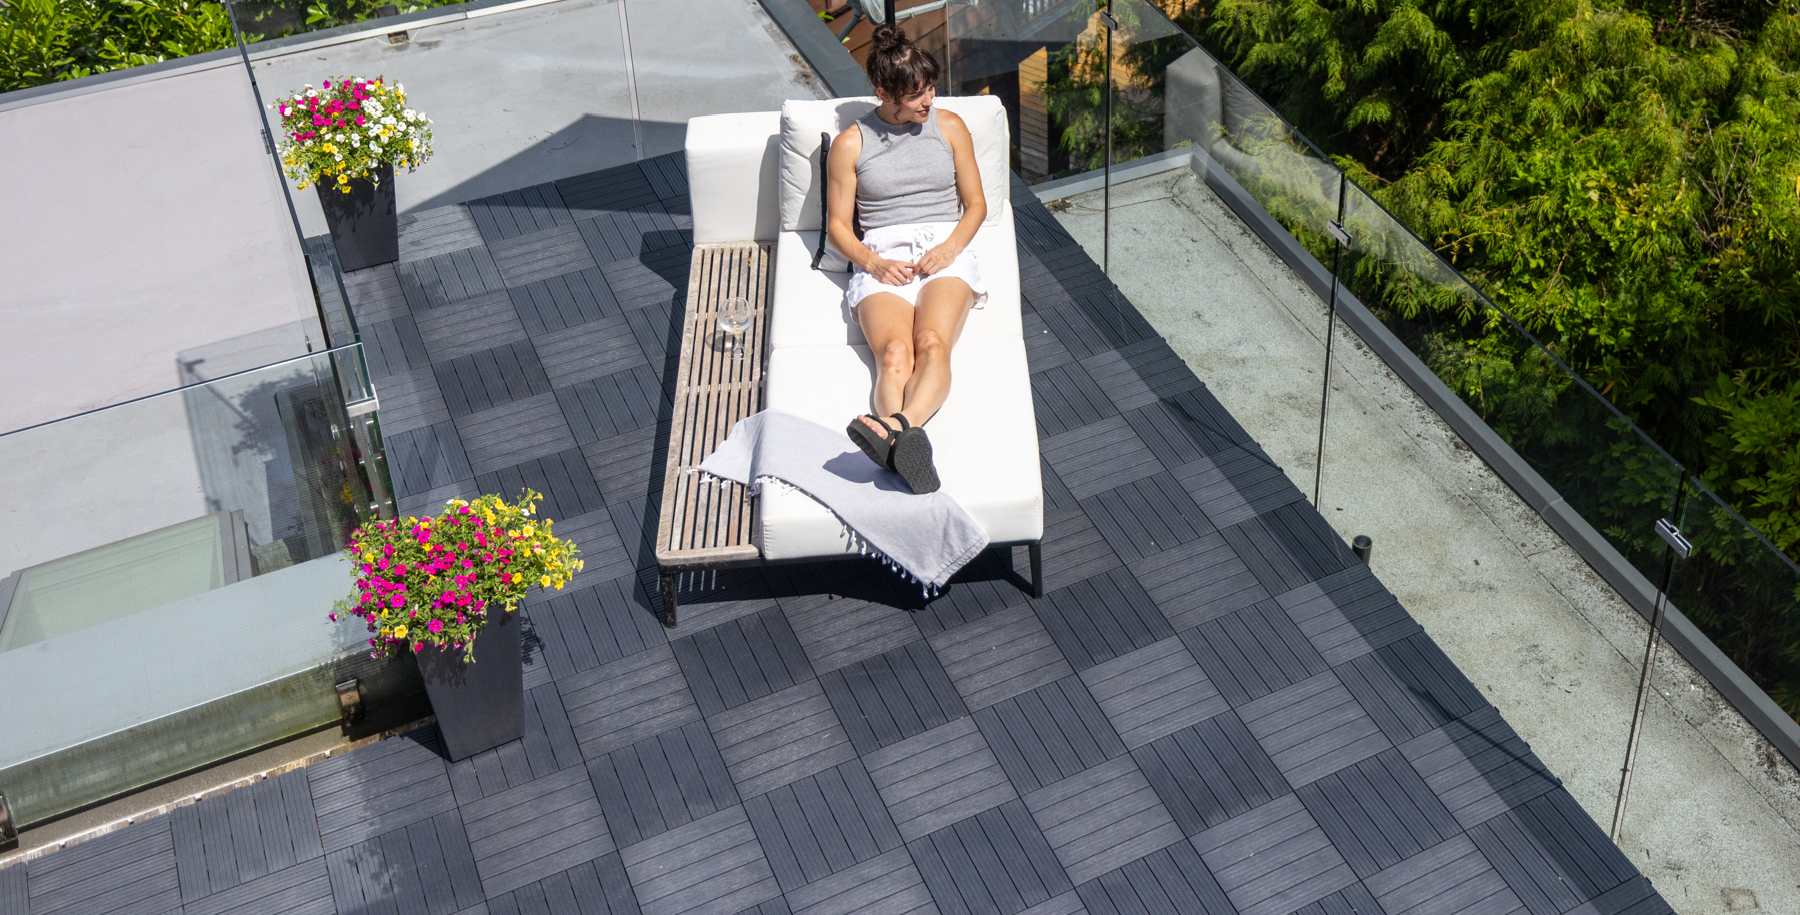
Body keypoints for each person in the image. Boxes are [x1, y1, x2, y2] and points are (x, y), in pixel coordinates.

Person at [831, 23, 987, 495]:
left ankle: (894, 429)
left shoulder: (950, 127)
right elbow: (840, 226)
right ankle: (905, 443)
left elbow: (977, 204)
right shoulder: (851, 144)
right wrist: (872, 263)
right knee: (895, 355)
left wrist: (950, 247)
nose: (928, 102)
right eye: (916, 95)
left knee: (932, 343)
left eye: (931, 89)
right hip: (883, 253)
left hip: (944, 244)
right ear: (884, 93)